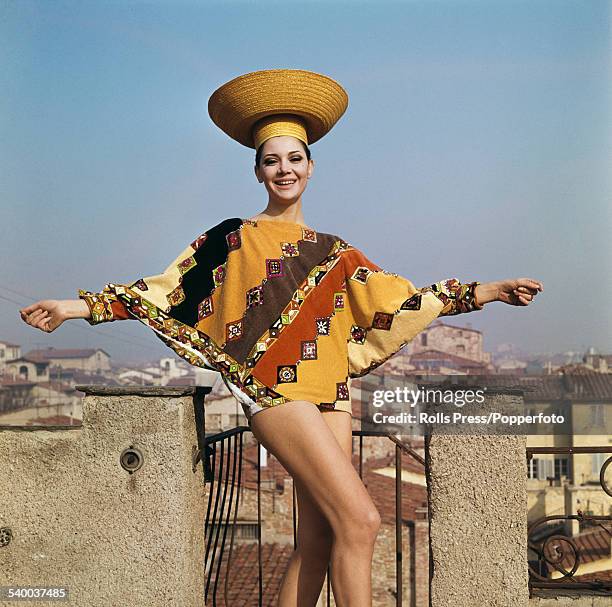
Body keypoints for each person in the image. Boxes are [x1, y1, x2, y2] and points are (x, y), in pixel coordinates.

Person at [20, 69, 543, 606]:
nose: (284, 169)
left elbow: (400, 302)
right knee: (361, 520)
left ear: (312, 168)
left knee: (318, 540)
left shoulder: (335, 253)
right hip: (275, 391)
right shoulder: (231, 241)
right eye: (272, 161)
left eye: (294, 159)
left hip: (331, 391)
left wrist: (487, 290)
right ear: (258, 172)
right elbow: (162, 291)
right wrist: (72, 307)